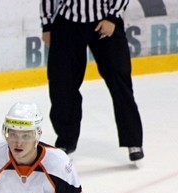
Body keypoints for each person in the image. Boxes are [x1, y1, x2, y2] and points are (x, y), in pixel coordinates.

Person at [41, 0, 143, 161]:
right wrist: (47, 25)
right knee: (62, 83)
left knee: (120, 81)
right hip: (68, 22)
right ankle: (66, 141)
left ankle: (133, 141)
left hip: (105, 20)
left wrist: (112, 18)